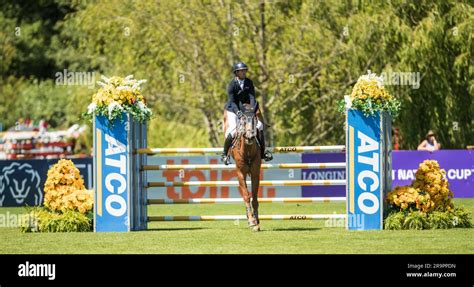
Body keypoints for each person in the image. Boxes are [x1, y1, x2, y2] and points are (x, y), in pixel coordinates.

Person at [221, 62, 272, 165]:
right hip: (233, 109)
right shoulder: (231, 85)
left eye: (245, 70)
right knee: (232, 131)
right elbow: (232, 101)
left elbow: (252, 97)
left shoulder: (249, 82)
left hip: (246, 109)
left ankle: (263, 153)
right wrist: (238, 112)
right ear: (236, 73)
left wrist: (252, 111)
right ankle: (224, 154)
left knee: (259, 126)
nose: (244, 72)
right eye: (242, 71)